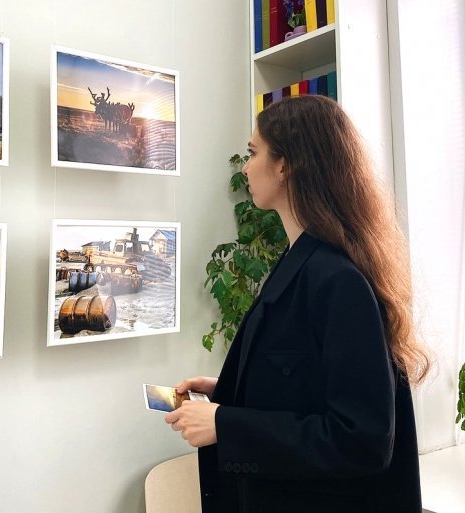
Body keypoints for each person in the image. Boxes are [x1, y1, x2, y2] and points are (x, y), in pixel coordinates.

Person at [164, 95, 431, 513]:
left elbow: (361, 439)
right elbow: (308, 383)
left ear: (285, 165)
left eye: (253, 153)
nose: (245, 167)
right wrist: (229, 390)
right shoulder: (299, 261)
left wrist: (224, 424)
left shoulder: (338, 280)